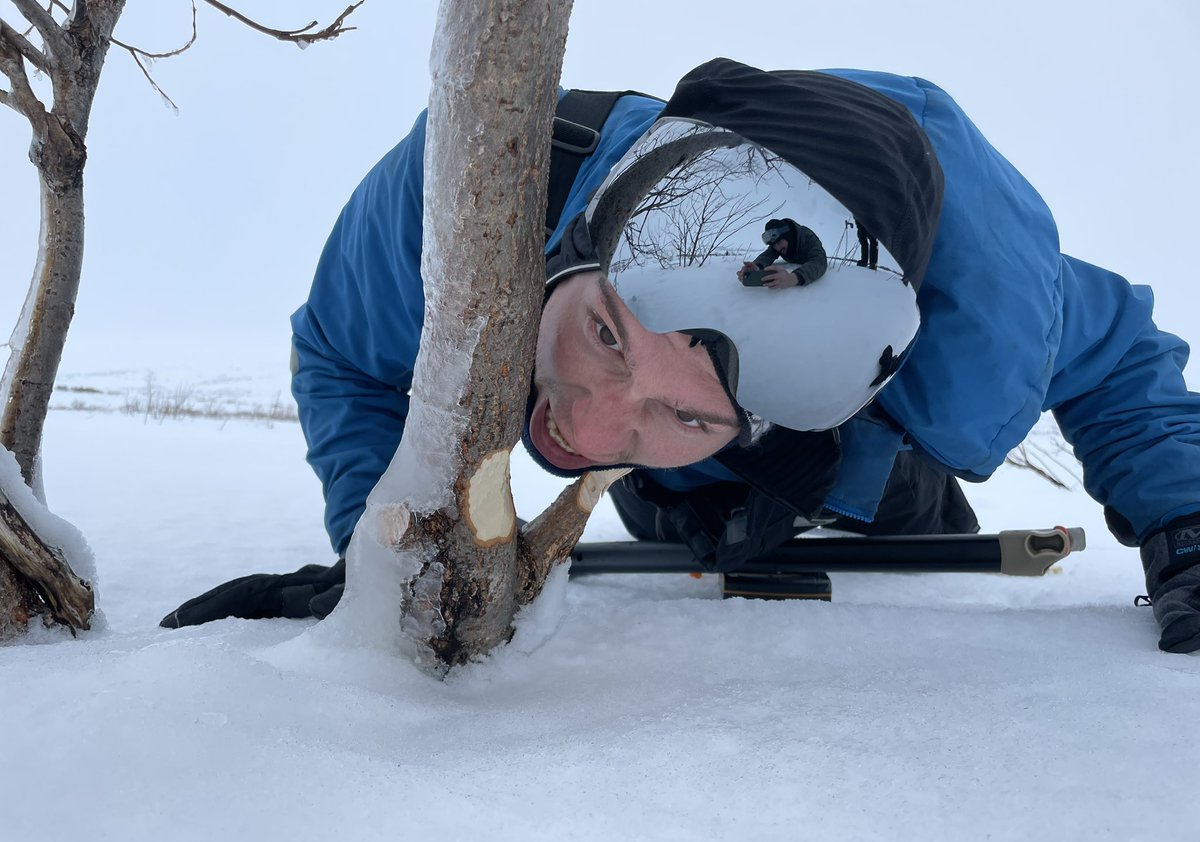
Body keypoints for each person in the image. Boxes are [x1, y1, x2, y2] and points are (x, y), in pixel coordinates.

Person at [162, 59, 1200, 657]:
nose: (593, 428)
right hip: (677, 488)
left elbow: (1117, 361)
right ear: (579, 246)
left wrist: (1185, 517)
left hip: (849, 464)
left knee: (879, 508)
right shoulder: (470, 193)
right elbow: (346, 357)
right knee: (662, 485)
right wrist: (382, 545)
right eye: (606, 332)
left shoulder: (962, 319)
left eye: (685, 406)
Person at [737, 218, 828, 288]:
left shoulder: (807, 237)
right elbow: (767, 255)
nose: (777, 248)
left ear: (788, 236)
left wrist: (794, 278)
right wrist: (756, 266)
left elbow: (819, 261)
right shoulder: (778, 247)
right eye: (774, 245)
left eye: (778, 242)